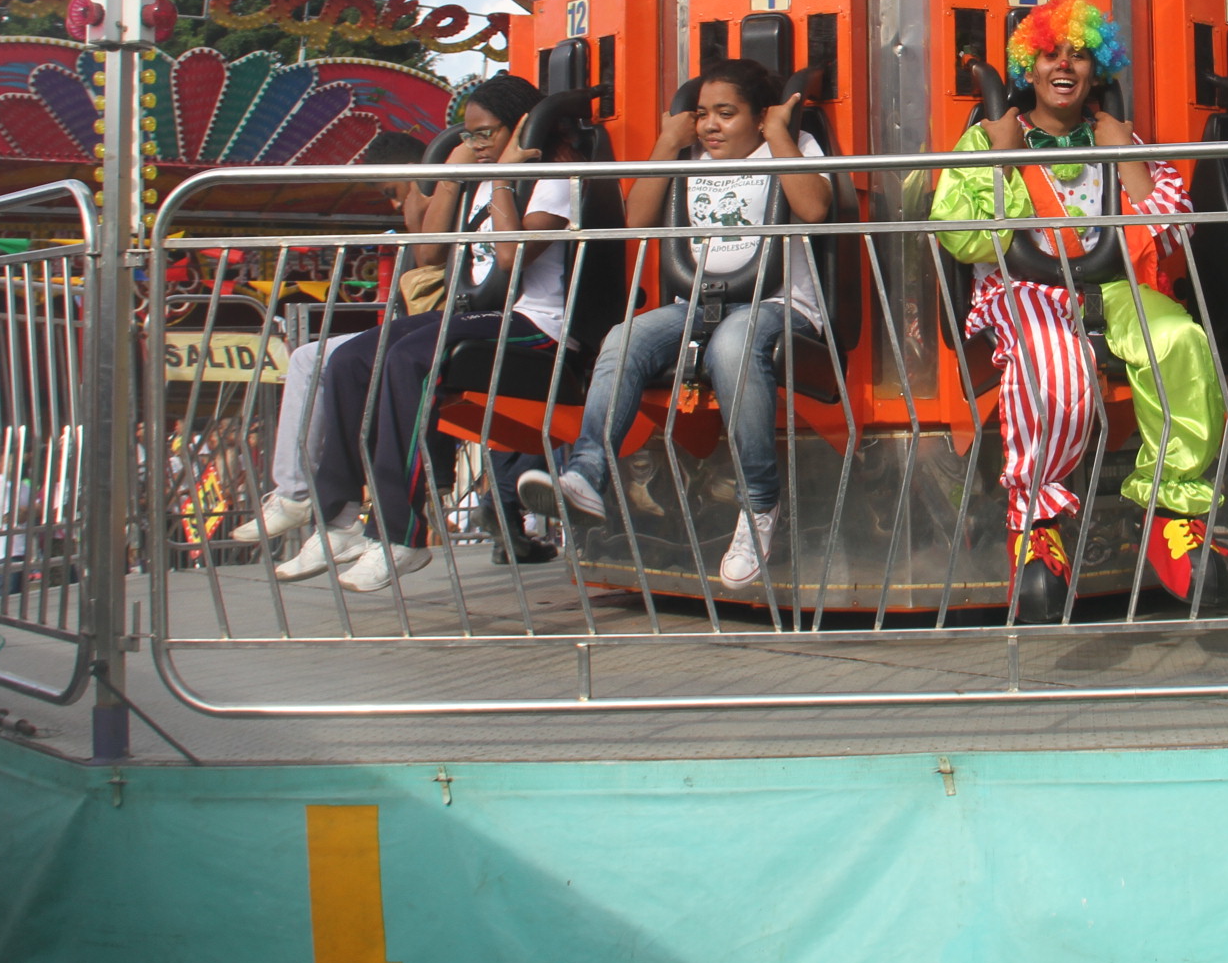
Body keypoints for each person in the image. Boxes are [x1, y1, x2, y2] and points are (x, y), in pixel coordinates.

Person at [928, 0, 1227, 621]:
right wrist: (1000, 156)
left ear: (1099, 69)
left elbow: (1169, 229)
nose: (1064, 64)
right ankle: (1036, 528)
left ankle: (1174, 513)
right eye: (1048, 53)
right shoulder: (988, 138)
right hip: (1025, 291)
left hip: (1114, 288)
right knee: (1053, 367)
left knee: (1181, 343)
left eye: (1080, 54)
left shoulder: (1120, 140)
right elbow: (960, 232)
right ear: (1027, 67)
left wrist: (1127, 158)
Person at [517, 58, 831, 591]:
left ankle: (758, 506)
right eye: (703, 114)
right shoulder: (689, 155)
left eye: (726, 114)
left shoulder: (792, 146)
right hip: (697, 303)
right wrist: (666, 144)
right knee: (626, 338)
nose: (710, 125)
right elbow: (635, 221)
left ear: (759, 117)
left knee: (733, 345)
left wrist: (780, 135)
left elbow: (815, 208)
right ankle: (586, 474)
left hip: (778, 303)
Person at [297, 75, 579, 592]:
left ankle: (400, 534)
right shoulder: (478, 177)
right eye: (467, 136)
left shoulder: (552, 178)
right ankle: (334, 516)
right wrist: (453, 177)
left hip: (536, 324)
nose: (474, 146)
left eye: (483, 134)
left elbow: (513, 258)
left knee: (409, 361)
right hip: (479, 311)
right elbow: (428, 256)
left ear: (518, 127)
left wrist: (504, 177)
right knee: (351, 359)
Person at [227, 132, 432, 579]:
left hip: (447, 332)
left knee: (357, 364)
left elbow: (431, 249)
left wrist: (425, 193)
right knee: (308, 359)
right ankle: (307, 501)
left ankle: (374, 526)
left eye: (394, 192)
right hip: (422, 330)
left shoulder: (442, 198)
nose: (396, 207)